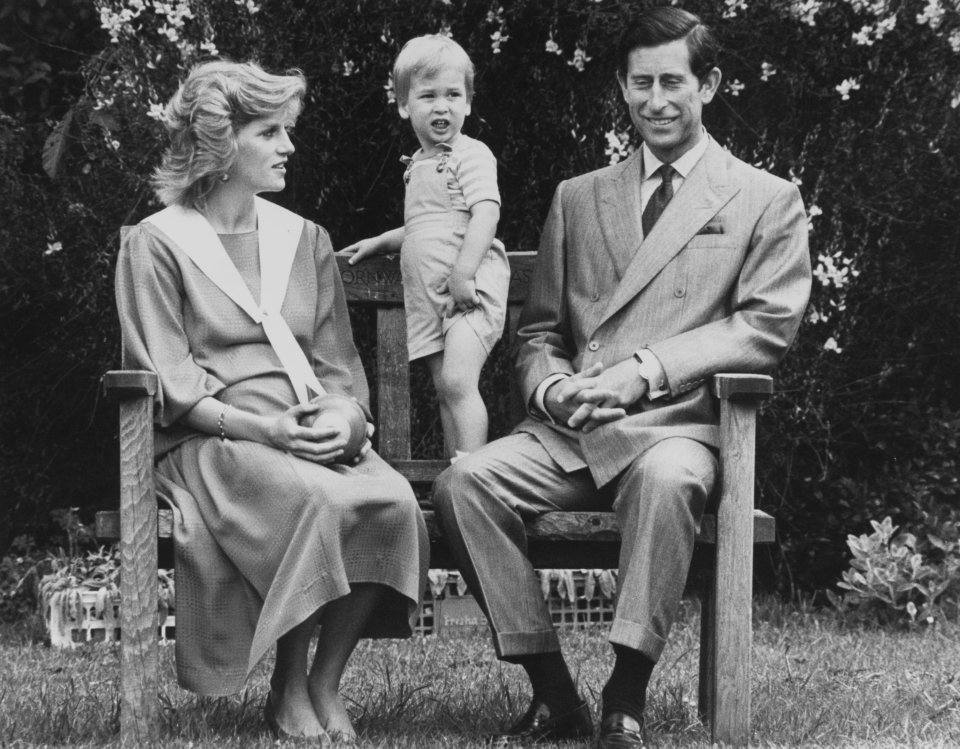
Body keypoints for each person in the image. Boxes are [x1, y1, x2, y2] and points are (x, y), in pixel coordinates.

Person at [432, 7, 812, 748]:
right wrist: (551, 388)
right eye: (642, 83)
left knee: (668, 480)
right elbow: (539, 332)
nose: (658, 100)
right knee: (464, 483)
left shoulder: (764, 197)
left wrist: (643, 371)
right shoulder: (580, 196)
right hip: (572, 430)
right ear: (622, 87)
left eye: (675, 81)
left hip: (676, 428)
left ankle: (624, 697)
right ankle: (552, 692)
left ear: (711, 84)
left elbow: (763, 327)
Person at [115, 60, 429, 744]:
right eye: (271, 132)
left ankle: (323, 681)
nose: (289, 145)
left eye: (288, 130)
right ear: (224, 144)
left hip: (304, 430)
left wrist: (344, 419)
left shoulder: (304, 237)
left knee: (394, 501)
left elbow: (338, 364)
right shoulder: (156, 243)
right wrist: (269, 429)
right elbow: (172, 381)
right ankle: (289, 685)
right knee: (315, 498)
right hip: (215, 441)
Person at [341, 34, 510, 462]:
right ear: (404, 106)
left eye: (453, 95)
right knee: (444, 386)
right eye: (428, 96)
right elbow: (424, 227)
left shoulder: (471, 154)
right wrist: (382, 240)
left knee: (457, 380)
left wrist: (463, 274)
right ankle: (459, 466)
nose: (442, 106)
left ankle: (475, 473)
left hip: (468, 286)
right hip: (429, 295)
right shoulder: (416, 165)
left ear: (469, 103)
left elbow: (485, 215)